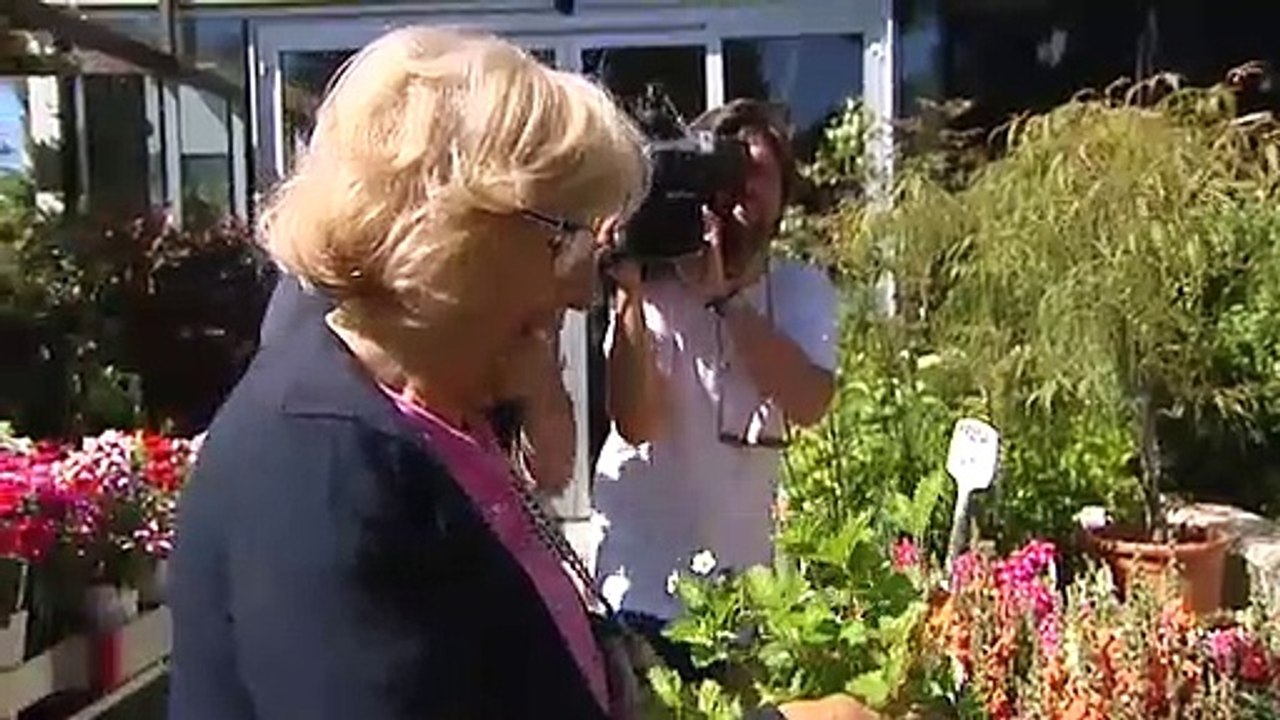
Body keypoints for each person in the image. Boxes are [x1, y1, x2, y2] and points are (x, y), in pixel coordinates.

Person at [168, 27, 870, 720]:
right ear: (455, 233)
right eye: (566, 240)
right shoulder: (319, 470)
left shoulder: (432, 416)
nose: (580, 293)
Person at [593, 98, 840, 676]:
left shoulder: (800, 289)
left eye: (758, 176)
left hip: (742, 597)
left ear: (784, 195)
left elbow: (809, 403)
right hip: (643, 582)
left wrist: (725, 301)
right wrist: (627, 292)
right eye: (728, 174)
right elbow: (635, 423)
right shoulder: (655, 283)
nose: (741, 195)